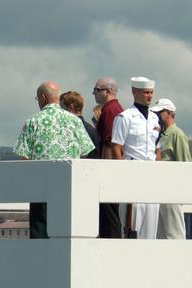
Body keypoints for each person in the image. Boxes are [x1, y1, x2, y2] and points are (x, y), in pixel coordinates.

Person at [14, 82, 94, 239]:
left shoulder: (32, 121)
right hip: (69, 187)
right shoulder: (75, 121)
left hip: (41, 187)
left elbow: (24, 157)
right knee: (69, 233)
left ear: (43, 98)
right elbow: (85, 153)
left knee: (40, 235)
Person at [111, 76, 162, 239]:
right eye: (146, 92)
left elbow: (157, 148)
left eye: (151, 92)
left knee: (151, 226)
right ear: (134, 92)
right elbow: (116, 147)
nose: (149, 96)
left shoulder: (155, 118)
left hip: (152, 176)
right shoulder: (125, 117)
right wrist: (122, 173)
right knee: (132, 226)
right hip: (133, 173)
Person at [150, 98, 190, 239]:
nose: (156, 115)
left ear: (168, 113)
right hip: (160, 190)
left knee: (175, 233)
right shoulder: (161, 134)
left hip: (172, 189)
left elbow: (185, 164)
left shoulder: (177, 134)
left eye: (159, 112)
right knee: (161, 234)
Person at [92, 77, 124, 238]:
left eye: (97, 90)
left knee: (109, 215)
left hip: (109, 170)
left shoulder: (110, 111)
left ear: (108, 91)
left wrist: (105, 171)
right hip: (112, 168)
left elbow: (110, 144)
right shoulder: (115, 109)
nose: (94, 93)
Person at [61, 91, 100, 160]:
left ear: (71, 107)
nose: (60, 112)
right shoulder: (92, 130)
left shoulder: (68, 130)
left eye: (61, 108)